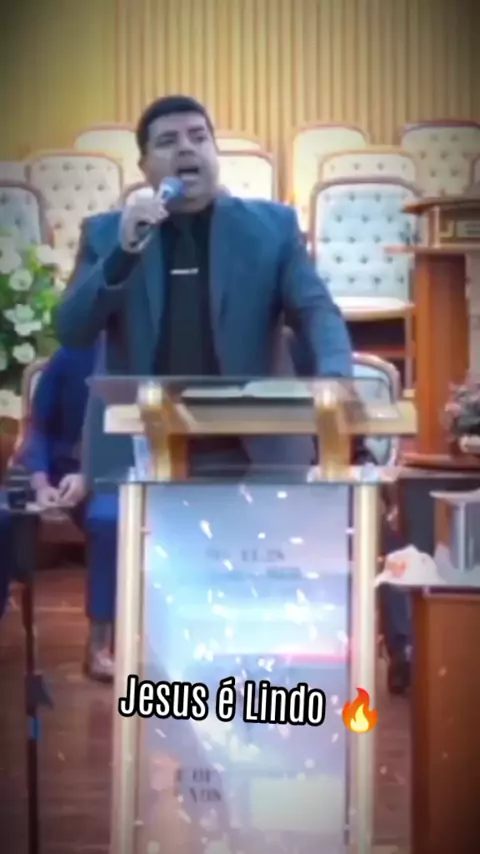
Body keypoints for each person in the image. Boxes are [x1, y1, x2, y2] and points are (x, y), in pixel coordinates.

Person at [55, 94, 353, 479]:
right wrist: (123, 254)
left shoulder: (271, 228)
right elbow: (72, 331)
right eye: (168, 141)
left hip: (254, 449)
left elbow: (316, 310)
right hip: (138, 448)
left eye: (198, 137)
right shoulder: (106, 233)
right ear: (144, 167)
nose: (186, 148)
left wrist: (335, 377)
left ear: (214, 152)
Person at [16, 346, 118, 682]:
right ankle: (100, 644)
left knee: (111, 517)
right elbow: (38, 430)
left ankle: (107, 640)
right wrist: (40, 480)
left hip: (120, 472)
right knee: (107, 519)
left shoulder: (148, 353)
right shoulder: (69, 357)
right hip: (63, 473)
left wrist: (92, 470)